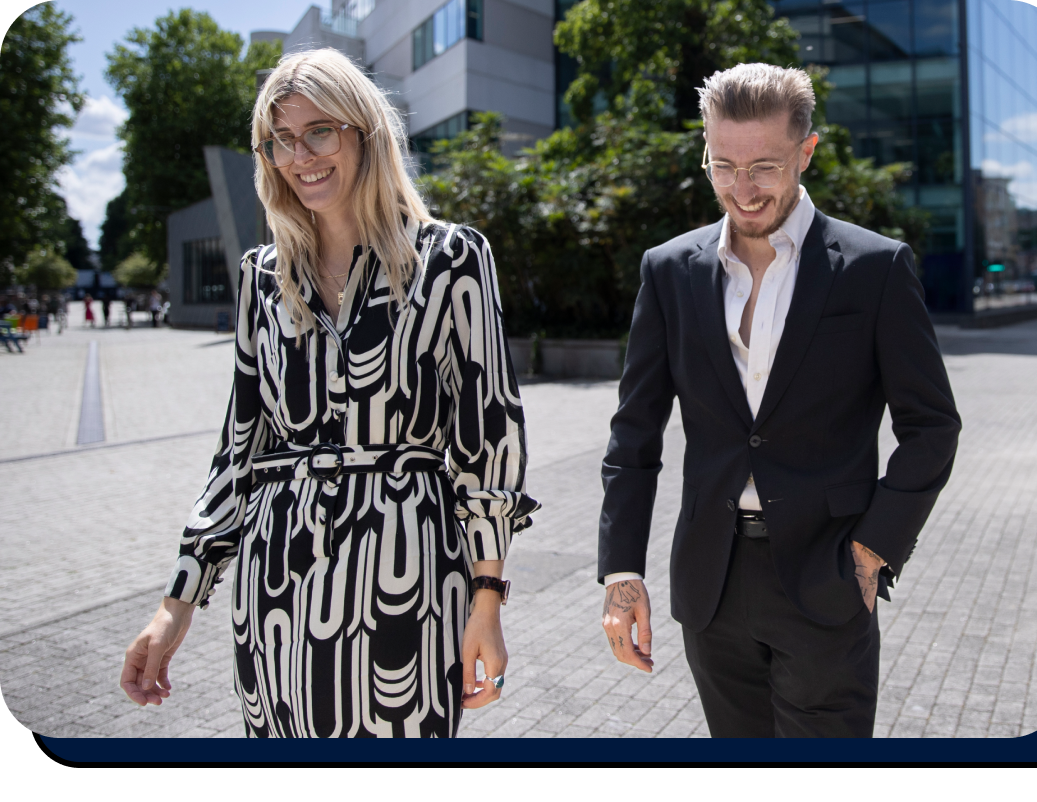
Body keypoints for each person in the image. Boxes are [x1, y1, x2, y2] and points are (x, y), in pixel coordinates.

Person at [120, 49, 539, 738]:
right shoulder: (262, 276)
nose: (299, 155)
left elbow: (490, 440)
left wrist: (486, 598)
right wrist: (176, 605)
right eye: (279, 139)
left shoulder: (451, 258)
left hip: (408, 578)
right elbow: (238, 452)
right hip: (277, 587)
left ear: (363, 132)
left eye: (319, 131)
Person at [598, 64, 961, 738]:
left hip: (826, 579)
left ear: (806, 151)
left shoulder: (876, 268)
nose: (742, 189)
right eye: (723, 165)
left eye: (763, 166)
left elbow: (932, 427)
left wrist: (871, 550)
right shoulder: (669, 270)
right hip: (711, 584)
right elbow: (634, 434)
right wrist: (622, 574)